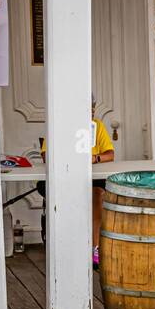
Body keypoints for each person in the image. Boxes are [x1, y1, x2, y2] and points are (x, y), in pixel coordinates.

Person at [41, 97, 114, 268]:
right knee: (62, 192)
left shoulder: (97, 126)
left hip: (90, 176)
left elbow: (110, 154)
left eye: (91, 109)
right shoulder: (56, 125)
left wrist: (94, 158)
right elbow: (46, 155)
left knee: (97, 193)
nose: (90, 112)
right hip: (63, 175)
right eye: (87, 109)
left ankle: (95, 247)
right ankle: (66, 249)